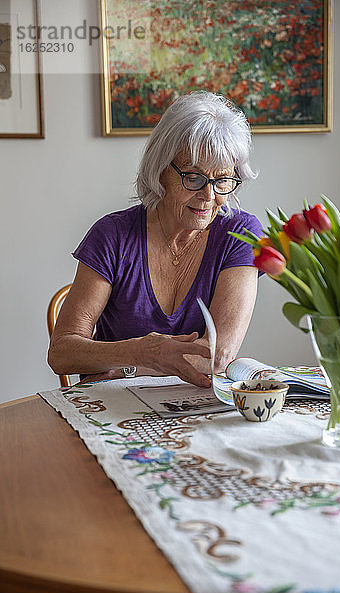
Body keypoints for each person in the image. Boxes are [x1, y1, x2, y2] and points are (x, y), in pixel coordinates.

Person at [48, 91, 264, 388]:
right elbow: (61, 352)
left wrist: (131, 367)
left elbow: (218, 357)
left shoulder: (240, 234)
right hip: (110, 406)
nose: (209, 196)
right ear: (161, 170)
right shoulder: (113, 236)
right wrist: (143, 351)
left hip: (190, 405)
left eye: (223, 180)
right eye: (193, 177)